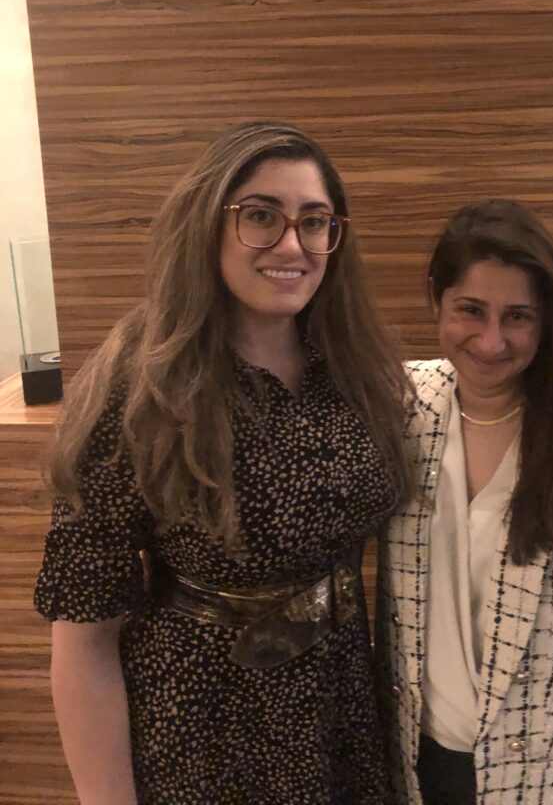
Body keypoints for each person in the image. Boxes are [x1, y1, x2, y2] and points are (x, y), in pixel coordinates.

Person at [35, 121, 413, 805]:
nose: (292, 245)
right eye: (261, 216)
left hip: (341, 712)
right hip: (204, 726)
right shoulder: (139, 388)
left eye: (314, 221)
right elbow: (84, 639)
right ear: (207, 225)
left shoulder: (353, 367)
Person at [376, 199, 553, 805]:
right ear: (438, 300)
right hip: (410, 759)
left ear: (547, 320)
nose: (491, 341)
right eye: (470, 310)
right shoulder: (398, 406)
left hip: (536, 773)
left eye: (517, 317)